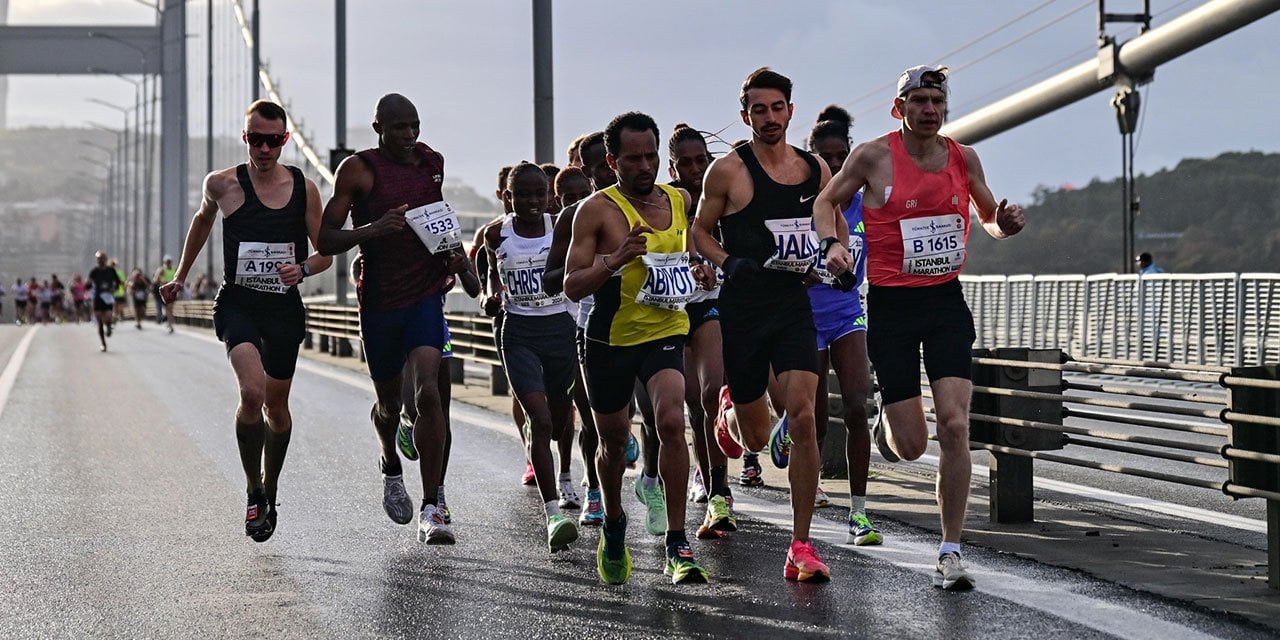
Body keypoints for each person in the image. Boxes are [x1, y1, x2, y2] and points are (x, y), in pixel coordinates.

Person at [815, 65, 1026, 590]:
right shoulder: (873, 156)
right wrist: (833, 244)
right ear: (900, 108)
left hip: (945, 302)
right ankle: (894, 400)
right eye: (920, 101)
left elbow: (988, 217)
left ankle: (951, 550)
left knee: (956, 425)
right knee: (910, 444)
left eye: (937, 100)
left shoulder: (963, 157)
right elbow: (826, 202)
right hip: (892, 307)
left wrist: (1005, 223)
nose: (930, 109)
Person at [161, 99, 332, 542]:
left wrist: (304, 270)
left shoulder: (304, 188)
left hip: (283, 309)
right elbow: (201, 224)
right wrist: (179, 277)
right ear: (245, 138)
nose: (264, 148)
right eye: (255, 139)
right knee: (252, 392)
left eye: (273, 141)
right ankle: (254, 489)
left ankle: (272, 485)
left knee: (277, 408)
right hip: (237, 302)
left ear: (285, 142)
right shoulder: (221, 184)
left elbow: (325, 252)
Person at [692, 67, 834, 583]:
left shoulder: (816, 168)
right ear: (745, 114)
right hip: (744, 311)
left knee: (802, 415)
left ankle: (801, 544)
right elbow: (698, 232)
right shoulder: (728, 171)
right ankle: (731, 413)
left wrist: (834, 256)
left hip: (793, 304)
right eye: (759, 110)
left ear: (791, 111)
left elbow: (831, 224)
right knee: (754, 438)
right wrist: (730, 263)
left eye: (778, 108)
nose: (770, 118)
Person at [317, 92, 470, 545]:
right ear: (378, 127)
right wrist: (372, 230)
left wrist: (454, 253)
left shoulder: (431, 162)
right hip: (381, 299)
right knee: (389, 405)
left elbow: (434, 219)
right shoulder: (358, 170)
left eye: (414, 126)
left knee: (429, 394)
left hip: (426, 292)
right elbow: (325, 238)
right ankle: (389, 462)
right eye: (398, 127)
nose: (408, 136)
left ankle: (434, 504)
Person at [564, 112, 708, 585]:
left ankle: (677, 541)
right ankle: (615, 522)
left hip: (666, 330)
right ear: (612, 160)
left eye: (651, 155)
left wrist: (701, 272)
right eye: (633, 158)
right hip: (609, 339)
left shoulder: (680, 199)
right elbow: (571, 285)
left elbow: (687, 258)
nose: (645, 166)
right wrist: (615, 259)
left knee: (670, 420)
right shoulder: (595, 211)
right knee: (611, 444)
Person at [789, 105, 883, 544]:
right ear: (815, 159)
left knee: (858, 406)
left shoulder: (867, 205)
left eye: (841, 154)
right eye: (825, 155)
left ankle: (860, 513)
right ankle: (808, 477)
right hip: (806, 318)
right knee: (815, 420)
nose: (834, 162)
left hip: (848, 315)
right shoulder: (804, 206)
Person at [485, 162, 581, 551]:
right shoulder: (495, 233)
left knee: (558, 423)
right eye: (521, 193)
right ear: (508, 197)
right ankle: (553, 513)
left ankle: (558, 468)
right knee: (540, 422)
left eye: (538, 193)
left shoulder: (562, 227)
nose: (530, 200)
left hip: (560, 329)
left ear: (549, 196)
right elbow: (489, 271)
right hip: (520, 332)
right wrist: (488, 295)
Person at [668, 123, 737, 538]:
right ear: (673, 166)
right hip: (674, 311)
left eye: (701, 161)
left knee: (712, 394)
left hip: (711, 306)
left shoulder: (723, 197)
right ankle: (705, 474)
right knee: (691, 403)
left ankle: (720, 490)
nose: (695, 169)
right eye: (686, 163)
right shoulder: (667, 200)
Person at [88, 253, 121, 351]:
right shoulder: (94, 271)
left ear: (106, 260)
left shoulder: (111, 270)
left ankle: (109, 326)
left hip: (108, 297)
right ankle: (103, 343)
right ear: (97, 260)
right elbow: (88, 284)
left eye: (102, 259)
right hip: (98, 297)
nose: (101, 261)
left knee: (108, 317)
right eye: (99, 259)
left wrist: (113, 288)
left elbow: (118, 282)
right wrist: (89, 284)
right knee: (99, 322)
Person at [154, 255, 177, 333]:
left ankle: (168, 322)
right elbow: (156, 279)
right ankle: (170, 324)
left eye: (169, 261)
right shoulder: (162, 270)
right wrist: (164, 281)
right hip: (165, 290)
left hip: (173, 290)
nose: (168, 263)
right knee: (168, 308)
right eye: (167, 262)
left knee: (170, 308)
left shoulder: (174, 269)